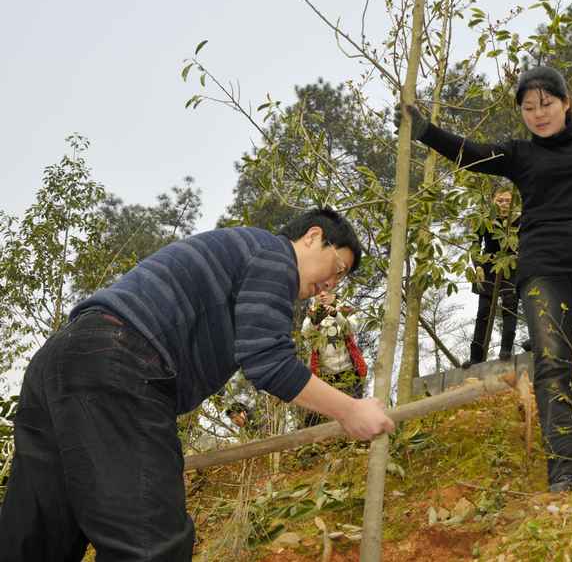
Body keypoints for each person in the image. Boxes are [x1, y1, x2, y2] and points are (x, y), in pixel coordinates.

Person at [0, 207, 395, 561]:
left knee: (37, 536)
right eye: (337, 268)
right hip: (116, 362)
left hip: (60, 361)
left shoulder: (244, 255)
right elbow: (269, 361)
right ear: (312, 237)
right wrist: (350, 410)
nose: (331, 285)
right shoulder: (275, 254)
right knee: (151, 545)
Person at [394, 66, 572, 492]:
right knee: (551, 359)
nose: (538, 113)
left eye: (546, 104)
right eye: (529, 107)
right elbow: (471, 153)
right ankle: (566, 468)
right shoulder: (519, 153)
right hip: (541, 266)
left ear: (566, 103)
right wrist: (425, 130)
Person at [463, 186, 520, 368]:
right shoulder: (485, 219)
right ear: (493, 202)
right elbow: (475, 245)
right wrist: (478, 266)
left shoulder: (520, 220)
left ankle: (506, 349)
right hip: (487, 268)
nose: (504, 204)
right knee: (484, 311)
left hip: (511, 267)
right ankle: (476, 357)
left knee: (510, 306)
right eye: (500, 200)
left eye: (507, 201)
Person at [301, 290, 367, 426]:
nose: (322, 295)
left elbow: (351, 328)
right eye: (318, 292)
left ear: (334, 294)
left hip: (349, 372)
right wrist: (314, 321)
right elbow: (305, 334)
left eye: (326, 292)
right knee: (320, 416)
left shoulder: (345, 310)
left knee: (353, 412)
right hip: (325, 376)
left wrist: (336, 315)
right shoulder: (312, 314)